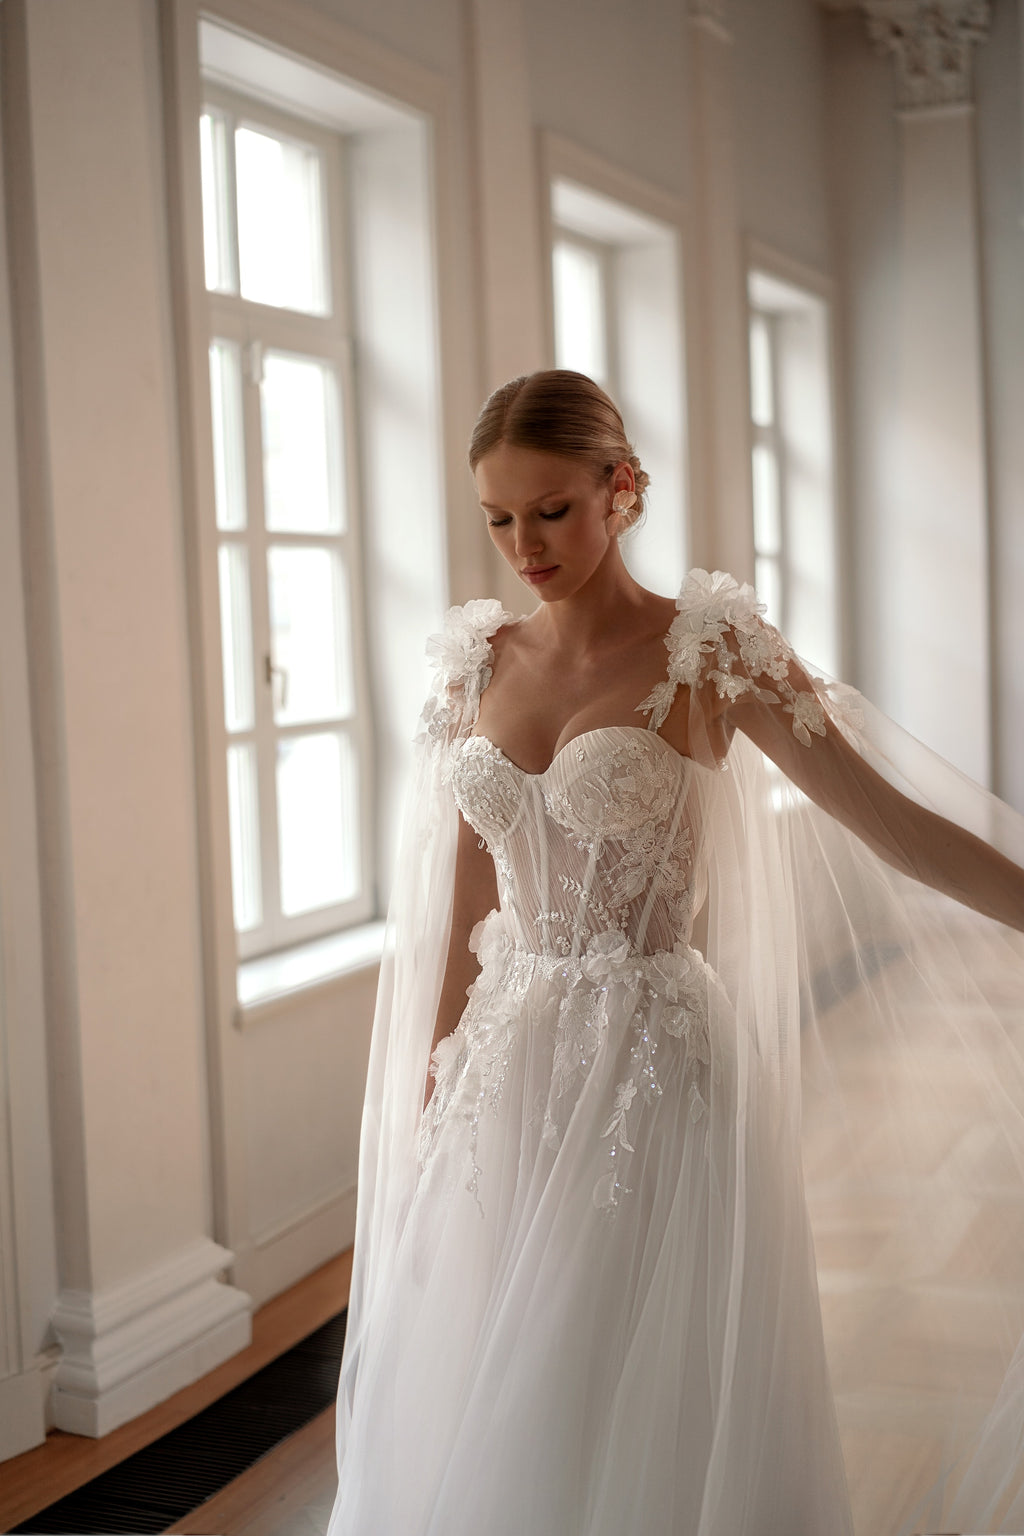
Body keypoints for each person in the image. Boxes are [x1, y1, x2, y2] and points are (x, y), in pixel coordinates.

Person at [326, 370, 1024, 1536]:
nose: (523, 545)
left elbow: (892, 823)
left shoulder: (707, 654)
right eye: (497, 518)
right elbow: (456, 899)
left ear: (623, 490)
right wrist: (428, 1074)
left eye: (550, 509)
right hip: (505, 1064)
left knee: (613, 1363)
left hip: (655, 1070)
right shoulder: (474, 661)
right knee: (484, 1358)